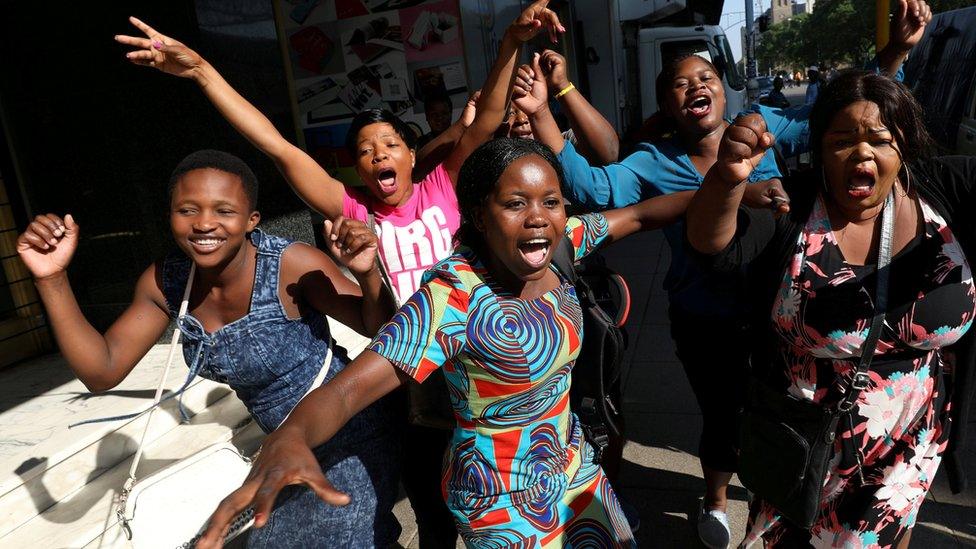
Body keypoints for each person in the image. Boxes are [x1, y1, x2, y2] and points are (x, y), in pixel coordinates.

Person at [117, 4, 563, 545]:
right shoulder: (350, 210)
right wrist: (203, 73)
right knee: (429, 503)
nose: (379, 155)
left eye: (390, 144)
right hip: (406, 375)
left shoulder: (441, 185)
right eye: (365, 151)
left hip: (474, 364)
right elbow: (277, 147)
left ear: (411, 151)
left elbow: (488, 117)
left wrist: (510, 42)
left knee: (500, 484)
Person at [194, 137, 695, 549]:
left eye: (551, 202)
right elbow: (349, 390)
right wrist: (292, 437)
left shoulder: (560, 244)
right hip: (502, 498)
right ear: (478, 215)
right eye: (515, 204)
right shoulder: (453, 297)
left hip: (574, 469)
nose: (538, 216)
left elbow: (642, 215)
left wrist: (729, 187)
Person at [16, 150, 401, 547]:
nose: (203, 223)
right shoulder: (167, 281)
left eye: (224, 211)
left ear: (252, 220)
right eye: (187, 210)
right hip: (279, 448)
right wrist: (52, 279)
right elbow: (102, 371)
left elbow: (381, 330)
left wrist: (367, 274)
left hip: (350, 430)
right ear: (170, 215)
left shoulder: (289, 263)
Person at [686, 71, 976, 548]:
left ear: (904, 144)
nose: (862, 153)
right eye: (842, 141)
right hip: (809, 452)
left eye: (881, 140)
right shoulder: (792, 208)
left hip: (913, 445)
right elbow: (710, 244)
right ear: (819, 149)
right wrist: (726, 179)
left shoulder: (945, 191)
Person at [517, 50, 786, 549]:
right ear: (667, 104)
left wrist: (895, 56)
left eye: (705, 78)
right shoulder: (653, 161)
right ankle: (718, 503)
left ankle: (777, 505)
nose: (695, 88)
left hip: (780, 312)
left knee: (778, 413)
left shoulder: (761, 130)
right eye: (680, 85)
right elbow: (594, 188)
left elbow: (840, 124)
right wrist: (540, 111)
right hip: (704, 317)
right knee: (721, 413)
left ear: (724, 91)